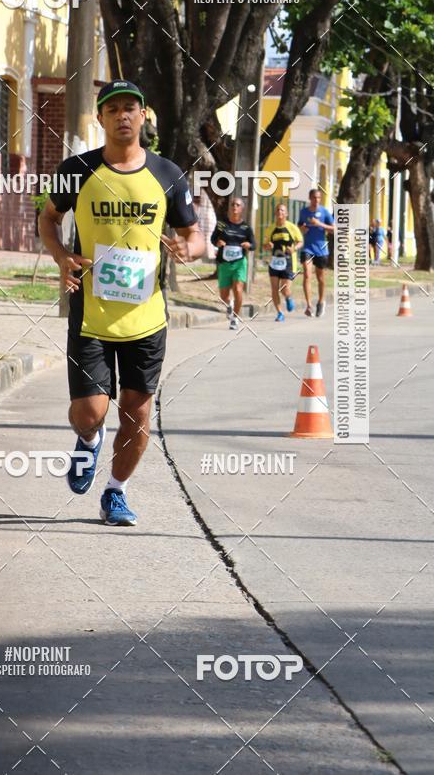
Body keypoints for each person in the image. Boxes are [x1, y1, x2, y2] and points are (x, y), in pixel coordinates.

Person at [39, 79, 205, 526]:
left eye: (131, 107)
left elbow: (195, 233)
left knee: (137, 413)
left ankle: (116, 492)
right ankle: (90, 441)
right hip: (92, 314)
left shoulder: (168, 175)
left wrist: (190, 249)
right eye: (113, 109)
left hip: (146, 318)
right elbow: (49, 218)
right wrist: (61, 257)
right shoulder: (77, 170)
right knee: (88, 412)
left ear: (143, 115)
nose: (123, 115)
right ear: (101, 118)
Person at [210, 197, 256, 330]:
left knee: (238, 289)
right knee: (223, 295)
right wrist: (217, 242)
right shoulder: (222, 224)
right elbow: (213, 239)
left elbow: (254, 245)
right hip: (224, 263)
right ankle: (229, 304)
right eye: (232, 205)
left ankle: (235, 317)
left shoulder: (246, 228)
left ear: (242, 209)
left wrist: (249, 245)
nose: (234, 207)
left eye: (237, 205)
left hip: (239, 262)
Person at [297, 188, 335, 317]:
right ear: (310, 198)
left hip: (321, 249)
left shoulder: (325, 212)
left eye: (318, 198)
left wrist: (320, 224)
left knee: (320, 278)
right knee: (307, 275)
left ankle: (320, 301)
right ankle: (309, 305)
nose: (316, 200)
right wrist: (302, 229)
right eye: (314, 197)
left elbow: (334, 229)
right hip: (307, 248)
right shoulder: (304, 212)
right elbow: (299, 227)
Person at [264, 203, 304, 322]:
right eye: (278, 210)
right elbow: (265, 245)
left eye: (282, 210)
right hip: (275, 262)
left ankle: (288, 297)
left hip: (288, 262)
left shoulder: (292, 227)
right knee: (274, 288)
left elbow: (300, 241)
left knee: (284, 289)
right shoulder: (270, 229)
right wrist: (267, 245)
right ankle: (280, 313)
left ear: (286, 213)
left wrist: (295, 248)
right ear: (275, 213)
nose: (280, 212)